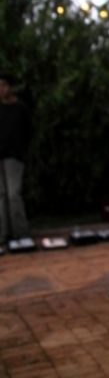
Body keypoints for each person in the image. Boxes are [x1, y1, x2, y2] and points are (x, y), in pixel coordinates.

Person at [0, 73, 33, 254]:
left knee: (14, 195)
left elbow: (29, 131)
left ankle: (21, 233)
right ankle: (4, 234)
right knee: (1, 196)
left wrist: (20, 149)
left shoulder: (20, 108)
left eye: (3, 85)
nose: (1, 89)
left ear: (10, 87)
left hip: (14, 157)